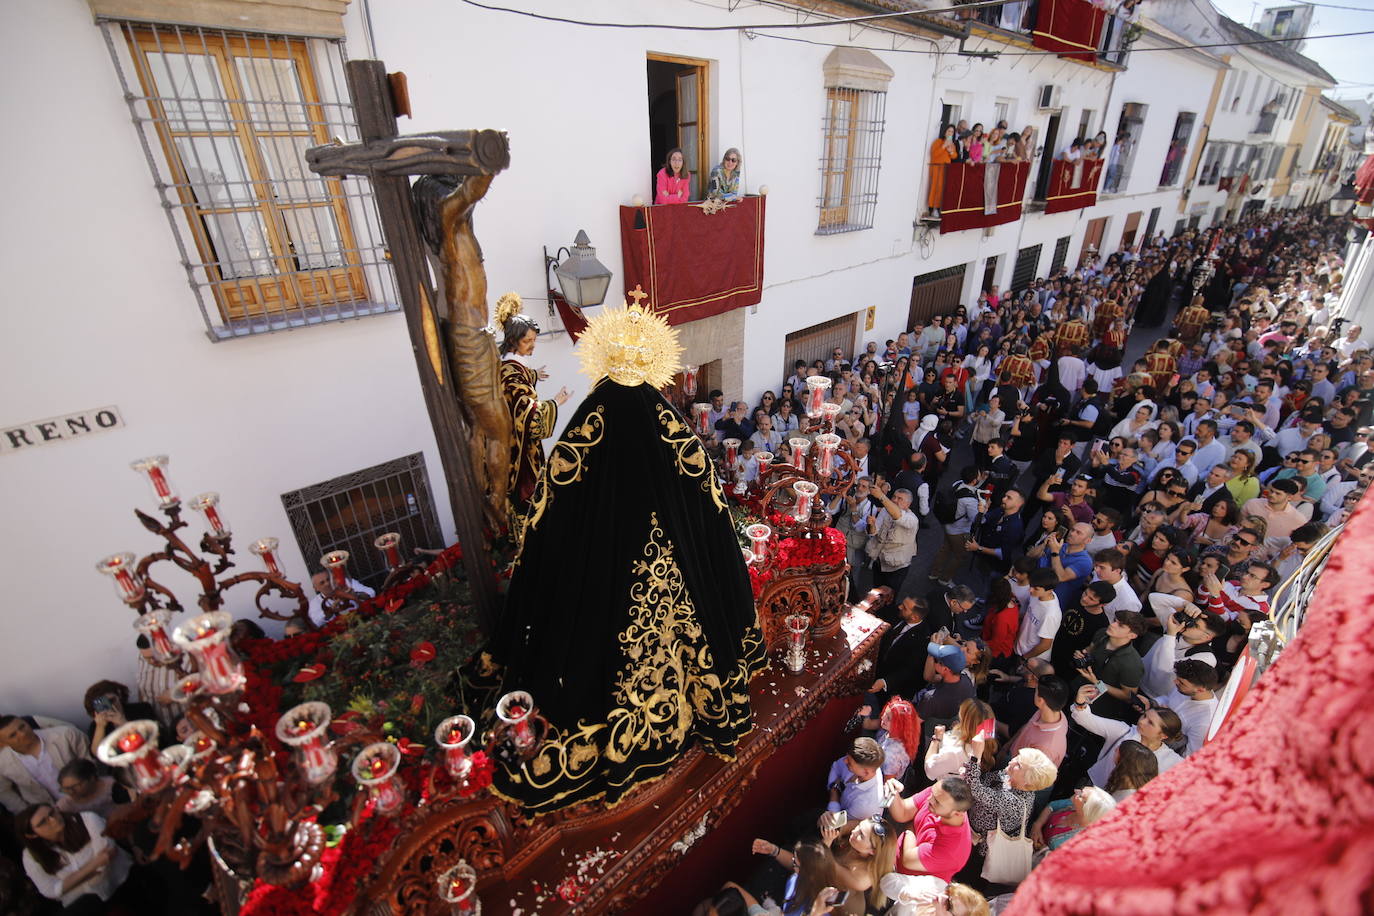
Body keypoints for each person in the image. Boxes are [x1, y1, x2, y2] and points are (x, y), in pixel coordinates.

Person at [496, 296, 571, 515]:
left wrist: (534, 374)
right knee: (528, 497)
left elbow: (519, 380)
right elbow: (527, 415)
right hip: (520, 453)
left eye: (534, 340)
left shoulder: (511, 368)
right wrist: (556, 402)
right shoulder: (511, 375)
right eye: (527, 341)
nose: (533, 346)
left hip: (518, 447)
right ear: (512, 341)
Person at [18, 804, 133, 911]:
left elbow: (106, 860)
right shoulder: (30, 856)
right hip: (84, 907)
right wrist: (95, 864)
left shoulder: (87, 819)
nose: (53, 819)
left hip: (120, 883)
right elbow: (51, 891)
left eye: (52, 813)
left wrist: (68, 884)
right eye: (43, 822)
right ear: (32, 835)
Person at [1071, 685, 1184, 786]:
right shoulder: (1124, 731)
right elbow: (1085, 719)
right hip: (1094, 785)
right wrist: (1081, 702)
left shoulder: (1172, 762)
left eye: (1150, 723)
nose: (1141, 722)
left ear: (1163, 735)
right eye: (1144, 716)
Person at [885, 776, 975, 882]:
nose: (929, 799)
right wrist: (892, 792)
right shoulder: (939, 795)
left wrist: (909, 831)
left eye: (936, 802)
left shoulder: (950, 850)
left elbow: (908, 860)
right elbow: (903, 812)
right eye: (932, 793)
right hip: (892, 859)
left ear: (957, 813)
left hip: (905, 885)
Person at [0, 716, 91, 814]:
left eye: (22, 727)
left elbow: (91, 761)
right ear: (3, 743)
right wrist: (28, 813)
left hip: (90, 795)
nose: (23, 734)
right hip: (53, 815)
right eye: (13, 735)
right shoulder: (3, 763)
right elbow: (4, 791)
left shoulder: (65, 735)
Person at [1002, 675, 1070, 767]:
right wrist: (1006, 747)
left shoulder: (1045, 749)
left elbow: (1025, 778)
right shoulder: (1050, 711)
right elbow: (1027, 727)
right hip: (1012, 756)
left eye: (1035, 690)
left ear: (1040, 700)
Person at [1028, 785, 1116, 852]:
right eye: (1081, 790)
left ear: (1087, 810)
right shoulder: (1072, 805)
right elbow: (1052, 806)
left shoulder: (1080, 842)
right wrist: (1037, 825)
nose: (1076, 791)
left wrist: (1041, 848)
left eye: (1081, 795)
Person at [925, 699, 997, 781]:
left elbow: (929, 771)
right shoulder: (989, 740)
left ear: (965, 721)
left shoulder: (956, 752)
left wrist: (936, 739)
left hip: (948, 790)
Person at [823, 737, 887, 825]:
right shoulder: (866, 765)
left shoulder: (865, 806)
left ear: (866, 772)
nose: (845, 761)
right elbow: (836, 766)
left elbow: (836, 823)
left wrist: (834, 793)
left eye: (849, 762)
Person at [868, 487, 920, 594]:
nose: (895, 500)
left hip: (896, 568)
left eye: (900, 499)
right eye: (894, 497)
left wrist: (881, 496)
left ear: (908, 505)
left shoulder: (912, 519)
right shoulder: (884, 512)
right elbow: (874, 532)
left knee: (889, 596)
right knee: (875, 593)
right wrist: (871, 525)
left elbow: (898, 516)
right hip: (879, 562)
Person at [1015, 568, 1063, 663]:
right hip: (1020, 647)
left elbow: (1045, 645)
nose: (1030, 590)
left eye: (1036, 588)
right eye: (1031, 585)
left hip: (1031, 658)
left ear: (1050, 590)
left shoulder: (1051, 614)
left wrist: (1025, 658)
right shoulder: (1037, 595)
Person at [306, 569, 376, 629]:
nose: (327, 583)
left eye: (328, 579)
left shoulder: (346, 583)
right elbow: (316, 623)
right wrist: (328, 613)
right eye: (322, 583)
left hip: (365, 621)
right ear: (316, 588)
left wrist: (356, 595)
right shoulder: (314, 603)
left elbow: (372, 593)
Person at [928, 126, 957, 217]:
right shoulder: (938, 142)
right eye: (949, 131)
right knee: (936, 188)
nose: (950, 133)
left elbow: (954, 156)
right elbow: (934, 154)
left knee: (942, 190)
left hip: (946, 169)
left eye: (952, 132)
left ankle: (939, 208)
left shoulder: (952, 144)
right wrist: (943, 146)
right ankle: (932, 208)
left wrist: (951, 151)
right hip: (937, 168)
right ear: (945, 132)